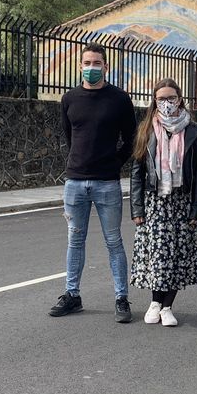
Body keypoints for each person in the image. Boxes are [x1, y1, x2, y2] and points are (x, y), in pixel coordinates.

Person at [50, 43, 137, 323]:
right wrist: (79, 163)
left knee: (114, 241)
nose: (91, 68)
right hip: (75, 182)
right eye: (87, 63)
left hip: (107, 183)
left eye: (96, 63)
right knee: (75, 240)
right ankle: (72, 295)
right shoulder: (69, 99)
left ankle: (121, 298)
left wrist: (114, 163)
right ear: (80, 66)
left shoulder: (120, 99)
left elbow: (132, 139)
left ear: (106, 66)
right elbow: (70, 136)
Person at [129, 78, 197, 327]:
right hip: (155, 201)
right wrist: (137, 208)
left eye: (171, 98)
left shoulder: (194, 131)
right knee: (158, 254)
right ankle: (155, 303)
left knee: (178, 256)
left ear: (180, 99)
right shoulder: (146, 130)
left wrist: (196, 209)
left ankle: (167, 306)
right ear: (154, 101)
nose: (166, 103)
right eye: (161, 99)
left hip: (183, 201)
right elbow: (137, 171)